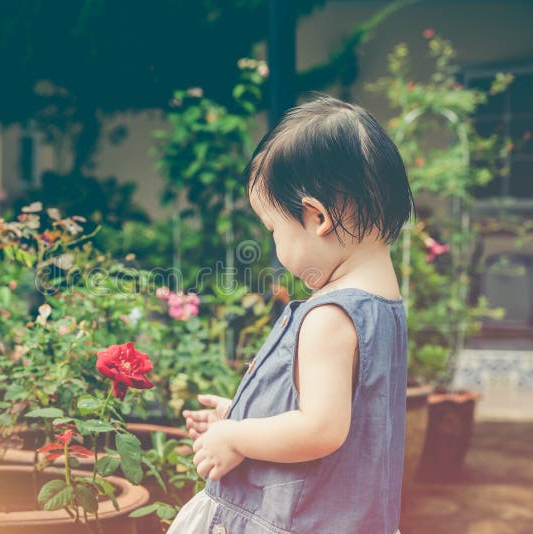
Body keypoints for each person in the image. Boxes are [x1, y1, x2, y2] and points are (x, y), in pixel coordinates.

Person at [166, 93, 414, 534]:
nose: (276, 249)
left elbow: (320, 429)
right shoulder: (383, 307)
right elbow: (341, 419)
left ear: (316, 217)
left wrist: (235, 438)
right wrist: (242, 415)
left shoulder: (331, 316)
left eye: (274, 230)